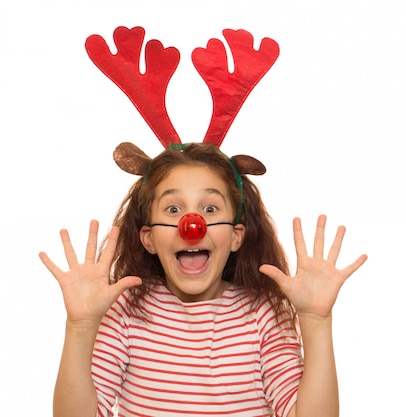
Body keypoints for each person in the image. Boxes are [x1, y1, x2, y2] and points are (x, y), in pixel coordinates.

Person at [39, 142, 367, 416]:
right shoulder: (125, 309)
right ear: (148, 237)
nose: (191, 224)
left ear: (237, 235)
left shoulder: (263, 312)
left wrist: (316, 320)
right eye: (172, 209)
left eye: (210, 209)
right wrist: (80, 327)